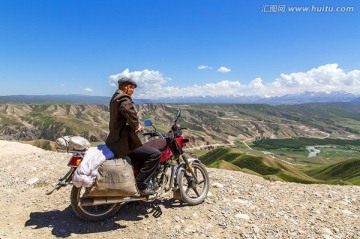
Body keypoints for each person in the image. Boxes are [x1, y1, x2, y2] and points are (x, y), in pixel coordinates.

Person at [105, 77, 161, 195]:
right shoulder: (123, 98)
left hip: (114, 140)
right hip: (123, 142)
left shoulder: (114, 97)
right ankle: (141, 184)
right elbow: (128, 111)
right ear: (127, 87)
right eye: (132, 88)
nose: (133, 91)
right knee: (155, 154)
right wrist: (137, 125)